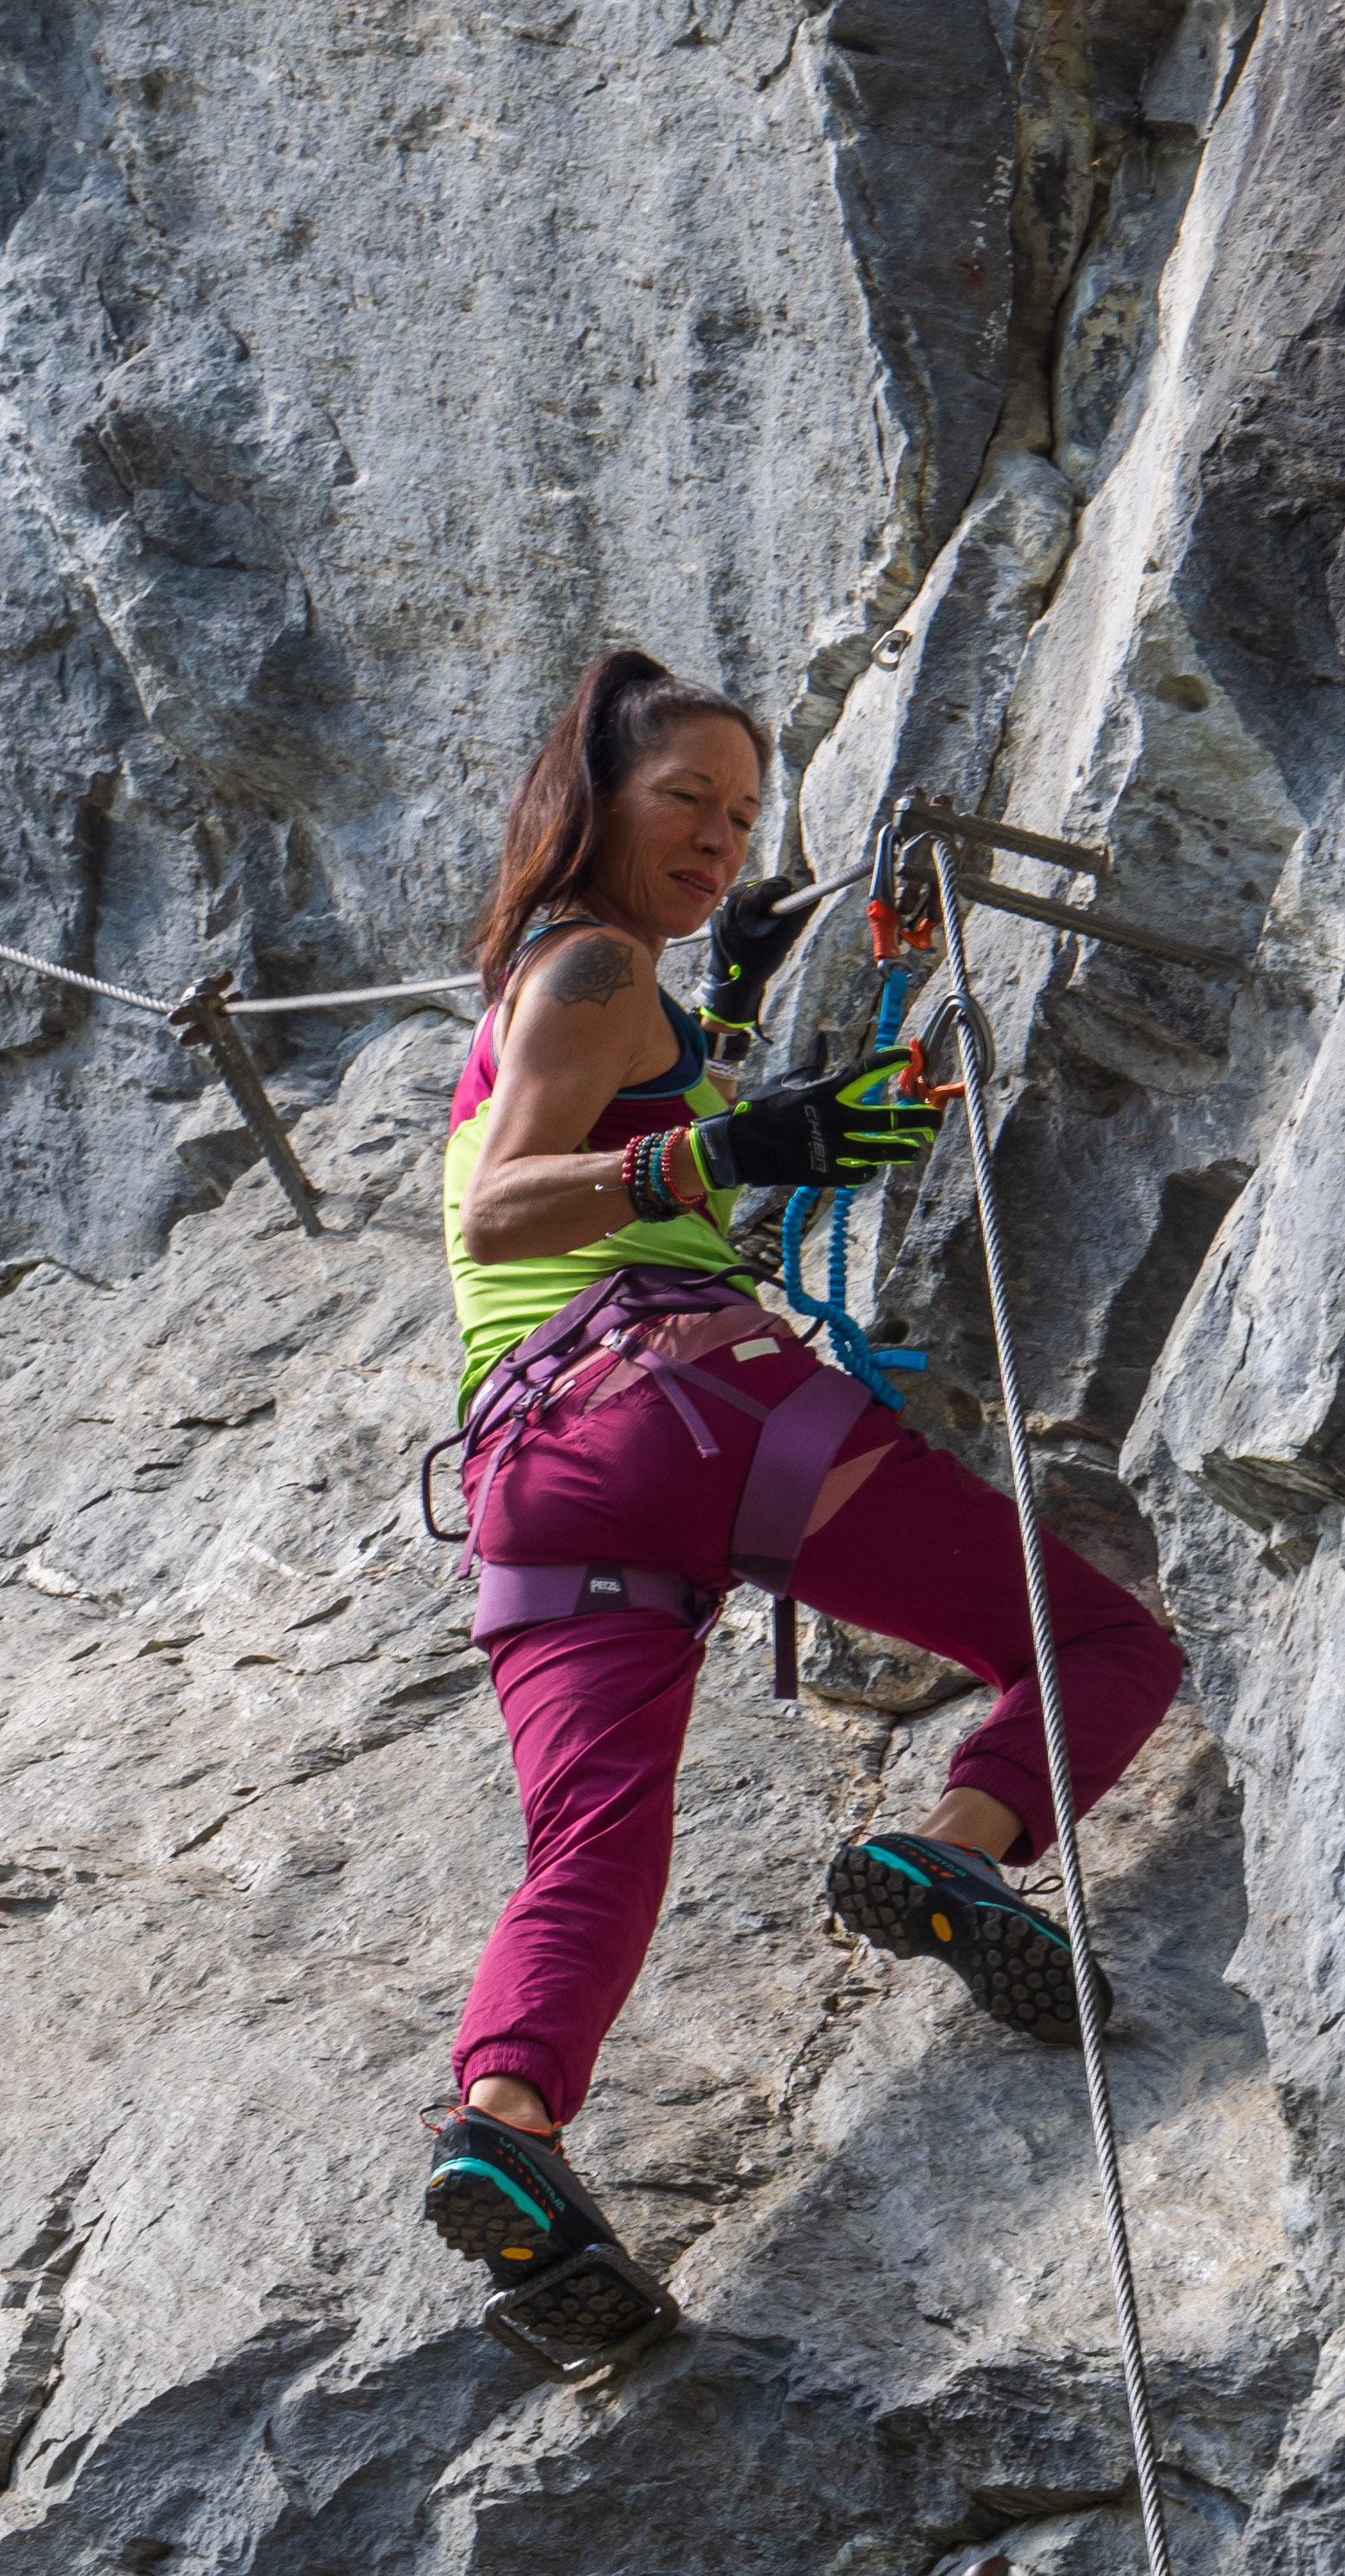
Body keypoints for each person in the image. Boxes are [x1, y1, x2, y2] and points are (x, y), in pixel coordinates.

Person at [422, 649, 1188, 2371]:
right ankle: (953, 1850)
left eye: (744, 811)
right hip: (681, 1402)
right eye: (682, 795)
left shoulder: (596, 994)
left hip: (531, 1482)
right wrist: (736, 1148)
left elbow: (644, 1114)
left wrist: (753, 1048)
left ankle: (510, 2127)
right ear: (592, 802)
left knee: (588, 1843)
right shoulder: (591, 961)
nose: (715, 831)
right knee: (1093, 1637)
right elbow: (519, 1208)